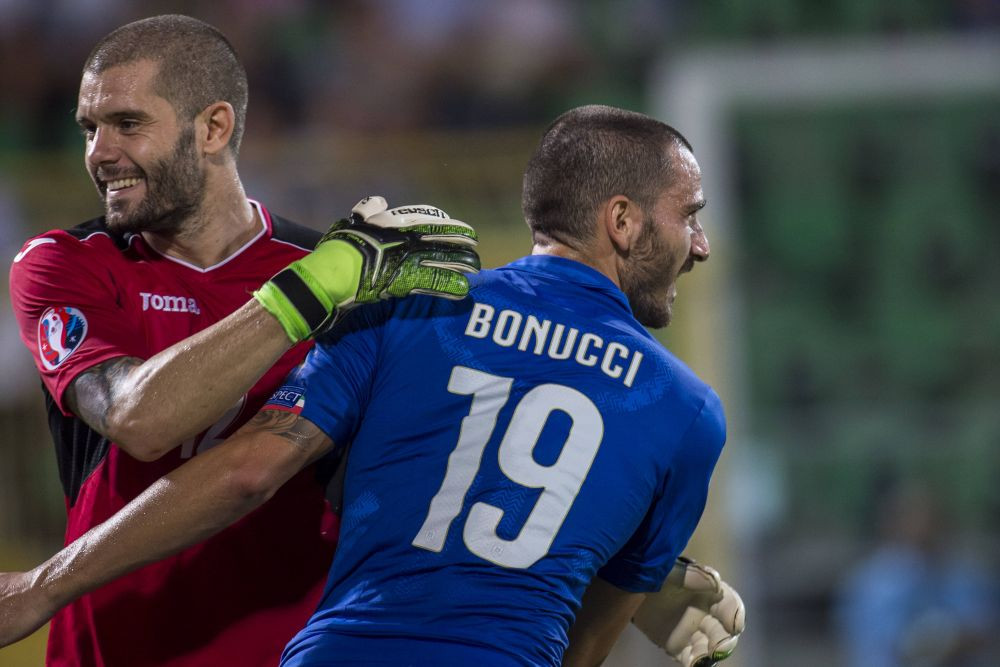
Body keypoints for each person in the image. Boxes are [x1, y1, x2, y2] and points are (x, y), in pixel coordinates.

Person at [1, 105, 744, 666]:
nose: (701, 245)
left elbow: (247, 469)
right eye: (691, 218)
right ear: (621, 221)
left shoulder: (406, 309)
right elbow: (578, 649)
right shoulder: (685, 411)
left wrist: (41, 585)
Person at [6, 14, 479, 667]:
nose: (99, 152)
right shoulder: (63, 264)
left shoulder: (343, 281)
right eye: (90, 128)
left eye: (128, 124)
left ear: (214, 127)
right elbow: (139, 418)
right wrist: (315, 289)